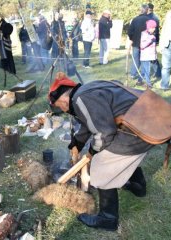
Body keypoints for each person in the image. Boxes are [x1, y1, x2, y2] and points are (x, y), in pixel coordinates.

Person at [48, 72, 154, 231]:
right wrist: (77, 143)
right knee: (116, 156)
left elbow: (104, 133)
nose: (63, 110)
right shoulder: (86, 91)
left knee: (100, 165)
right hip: (148, 122)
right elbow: (90, 121)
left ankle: (108, 218)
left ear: (63, 99)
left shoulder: (80, 100)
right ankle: (138, 186)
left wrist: (91, 153)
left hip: (141, 130)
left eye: (60, 107)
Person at [127, 4, 149, 84]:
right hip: (145, 44)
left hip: (136, 42)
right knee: (143, 60)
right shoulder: (149, 20)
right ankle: (140, 75)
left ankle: (133, 74)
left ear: (141, 10)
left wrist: (132, 38)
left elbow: (129, 32)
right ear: (146, 10)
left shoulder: (135, 19)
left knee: (136, 59)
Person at [159, 0, 171, 90]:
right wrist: (161, 44)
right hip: (169, 43)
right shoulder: (170, 13)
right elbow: (165, 28)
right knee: (166, 66)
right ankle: (164, 85)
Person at [140, 20, 157, 88]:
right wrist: (150, 40)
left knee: (144, 69)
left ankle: (139, 81)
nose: (154, 29)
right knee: (146, 70)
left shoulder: (151, 35)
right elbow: (142, 45)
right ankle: (148, 84)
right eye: (152, 28)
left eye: (154, 27)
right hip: (145, 55)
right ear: (148, 27)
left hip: (150, 55)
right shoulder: (144, 34)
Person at [147, 3, 161, 79]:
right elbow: (157, 31)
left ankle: (158, 73)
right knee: (152, 57)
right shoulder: (156, 17)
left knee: (151, 57)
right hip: (153, 39)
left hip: (149, 39)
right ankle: (157, 73)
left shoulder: (149, 17)